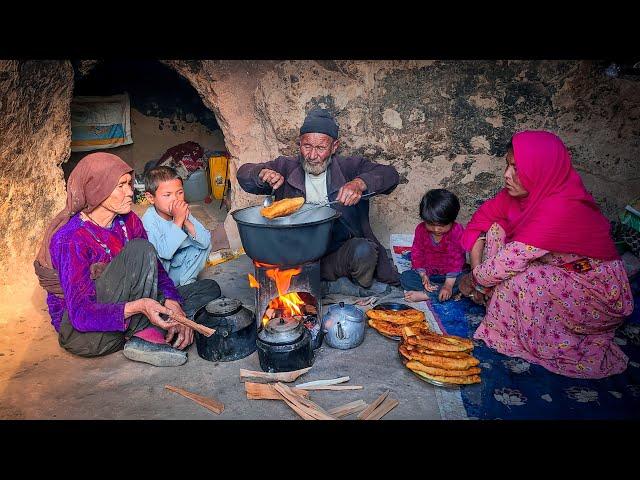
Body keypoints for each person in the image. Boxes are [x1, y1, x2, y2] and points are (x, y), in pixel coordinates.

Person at [458, 131, 634, 379]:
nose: (507, 175)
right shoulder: (523, 194)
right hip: (561, 270)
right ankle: (497, 298)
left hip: (596, 291)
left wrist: (476, 280)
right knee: (498, 229)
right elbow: (483, 220)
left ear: (540, 168)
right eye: (507, 166)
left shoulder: (559, 206)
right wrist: (477, 273)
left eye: (517, 168)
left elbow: (506, 264)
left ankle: (508, 314)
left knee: (521, 279)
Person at [33, 152, 221, 367]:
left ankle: (146, 331)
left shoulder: (129, 220)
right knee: (140, 249)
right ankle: (147, 332)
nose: (130, 192)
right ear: (97, 189)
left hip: (127, 308)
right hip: (87, 334)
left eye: (129, 184)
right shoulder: (71, 238)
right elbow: (80, 315)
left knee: (208, 289)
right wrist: (141, 306)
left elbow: (158, 272)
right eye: (120, 186)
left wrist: (174, 305)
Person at [236, 108, 401, 295]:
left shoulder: (349, 167)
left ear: (334, 146)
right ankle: (329, 286)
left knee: (363, 251)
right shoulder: (286, 167)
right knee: (272, 261)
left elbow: (390, 175)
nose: (312, 155)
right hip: (295, 254)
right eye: (307, 146)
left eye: (321, 148)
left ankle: (317, 284)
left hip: (335, 253)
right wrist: (260, 174)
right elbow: (243, 173)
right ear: (299, 144)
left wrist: (359, 183)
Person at [142, 166, 212, 287]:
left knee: (202, 243)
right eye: (167, 195)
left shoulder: (182, 212)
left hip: (177, 270)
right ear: (150, 198)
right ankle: (169, 291)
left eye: (179, 193)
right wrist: (178, 221)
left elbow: (206, 242)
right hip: (160, 278)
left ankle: (187, 284)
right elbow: (165, 254)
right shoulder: (149, 220)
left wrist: (186, 221)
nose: (175, 199)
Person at [401, 189, 467, 303]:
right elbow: (417, 254)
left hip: (452, 276)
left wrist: (448, 285)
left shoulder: (457, 230)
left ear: (452, 220)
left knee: (466, 279)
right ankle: (441, 292)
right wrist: (423, 275)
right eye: (431, 224)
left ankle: (428, 294)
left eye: (442, 225)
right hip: (430, 275)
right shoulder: (421, 230)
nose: (436, 229)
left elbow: (456, 260)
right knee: (405, 277)